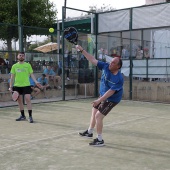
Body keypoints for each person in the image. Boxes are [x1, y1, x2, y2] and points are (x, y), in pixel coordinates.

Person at [76, 45, 124, 147]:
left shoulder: (119, 78)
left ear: (118, 66)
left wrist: (99, 100)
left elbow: (110, 92)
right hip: (103, 95)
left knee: (98, 116)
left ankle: (100, 140)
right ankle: (89, 132)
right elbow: (92, 59)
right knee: (94, 111)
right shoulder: (106, 66)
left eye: (114, 63)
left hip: (112, 99)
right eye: (111, 61)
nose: (111, 63)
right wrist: (82, 50)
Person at [9, 52, 42, 123]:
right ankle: (22, 116)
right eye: (20, 55)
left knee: (28, 99)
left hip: (26, 85)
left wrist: (36, 82)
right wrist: (10, 86)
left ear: (24, 57)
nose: (21, 56)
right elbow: (12, 77)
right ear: (17, 57)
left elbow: (32, 74)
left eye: (23, 56)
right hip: (17, 86)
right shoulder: (14, 66)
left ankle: (30, 116)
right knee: (20, 101)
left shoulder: (28, 65)